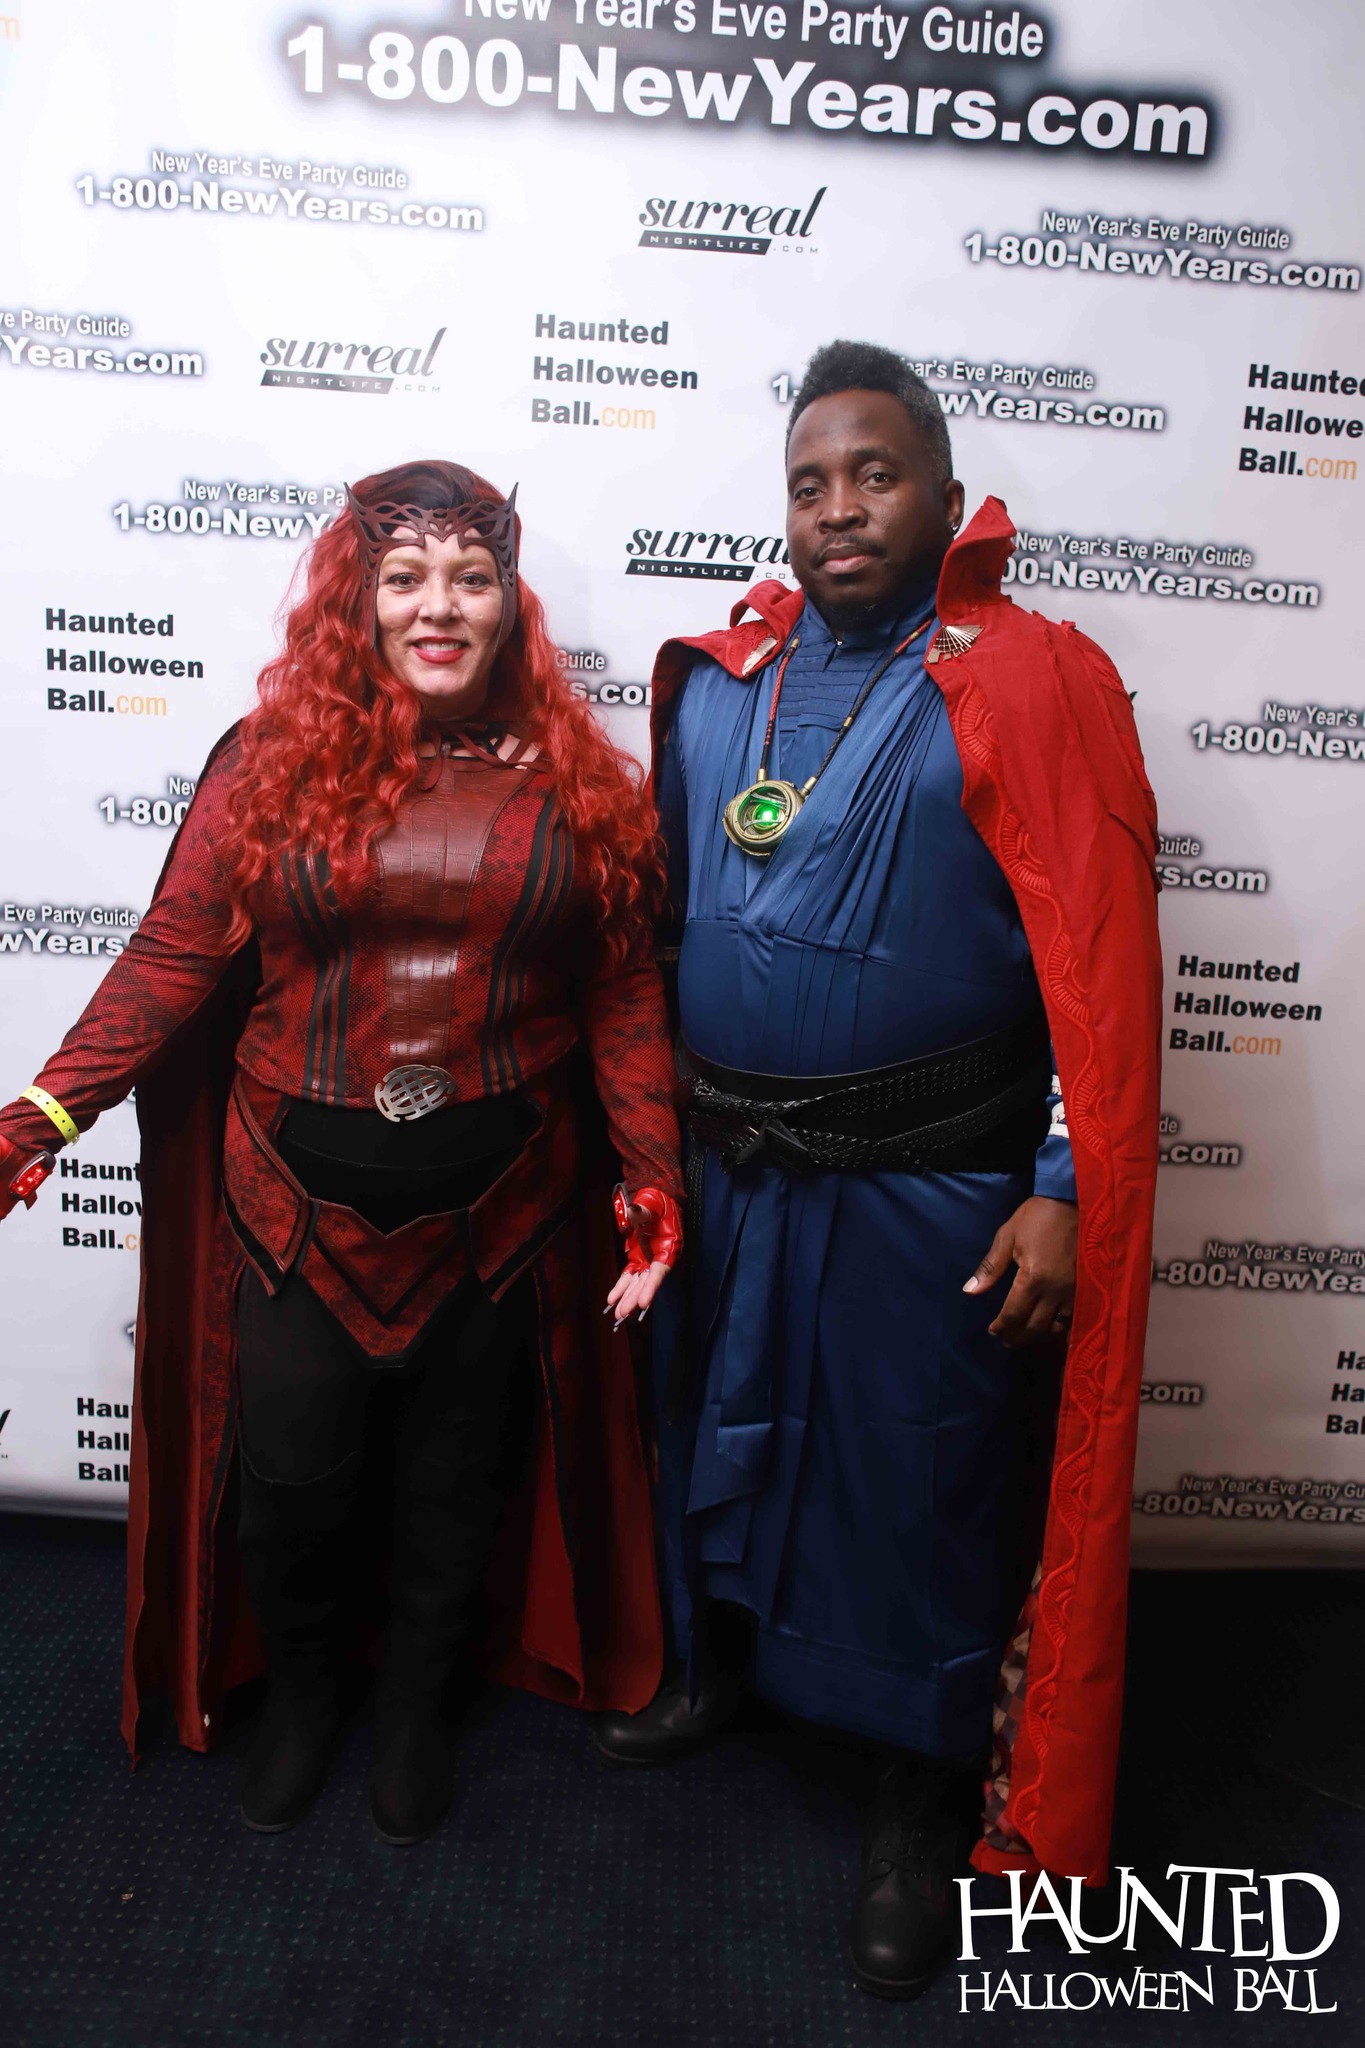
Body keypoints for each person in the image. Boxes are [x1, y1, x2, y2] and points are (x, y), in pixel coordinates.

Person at [0, 460, 683, 1846]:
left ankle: (420, 1710)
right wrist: (41, 1118)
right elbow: (172, 958)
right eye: (405, 575)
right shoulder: (265, 763)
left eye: (472, 577)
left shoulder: (575, 783)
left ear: (509, 602)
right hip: (290, 1206)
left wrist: (652, 1175)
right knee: (291, 1485)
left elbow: (619, 994)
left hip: (500, 1209)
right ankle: (306, 1698)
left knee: (455, 1490)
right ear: (357, 599)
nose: (440, 606)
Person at [592, 344, 1161, 1997]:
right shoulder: (720, 684)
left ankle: (920, 1793)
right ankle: (720, 1675)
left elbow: (1096, 971)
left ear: (944, 493)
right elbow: (661, 942)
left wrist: (1063, 1179)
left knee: (919, 1485)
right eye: (809, 483)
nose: (837, 508)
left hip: (935, 1190)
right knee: (720, 1434)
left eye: (873, 474)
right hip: (734, 1177)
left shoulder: (1034, 679)